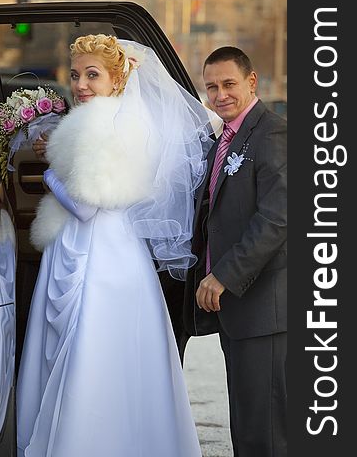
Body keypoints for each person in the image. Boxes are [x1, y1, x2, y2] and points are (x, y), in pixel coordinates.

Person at [16, 34, 215, 457]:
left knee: (89, 343)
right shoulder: (127, 120)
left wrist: (51, 171)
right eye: (75, 75)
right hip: (114, 247)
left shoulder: (105, 123)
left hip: (97, 250)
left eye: (93, 75)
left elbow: (86, 205)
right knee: (115, 351)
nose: (81, 85)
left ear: (117, 79)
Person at [183, 46, 287, 457]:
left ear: (251, 81)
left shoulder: (273, 134)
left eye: (228, 84)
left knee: (267, 430)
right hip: (239, 312)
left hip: (265, 307)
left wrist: (224, 274)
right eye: (211, 87)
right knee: (246, 423)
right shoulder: (222, 140)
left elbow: (277, 220)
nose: (220, 94)